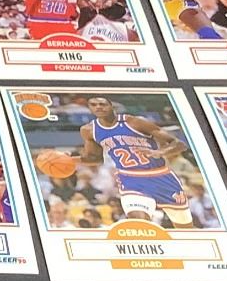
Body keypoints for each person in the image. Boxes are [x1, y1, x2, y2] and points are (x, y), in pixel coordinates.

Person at [75, 96, 197, 228]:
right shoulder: (89, 130)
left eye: (102, 104)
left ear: (111, 106)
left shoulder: (135, 122)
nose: (98, 107)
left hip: (161, 177)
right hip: (131, 179)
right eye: (93, 105)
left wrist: (159, 152)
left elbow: (179, 144)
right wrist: (70, 159)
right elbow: (95, 159)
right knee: (139, 224)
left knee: (185, 229)